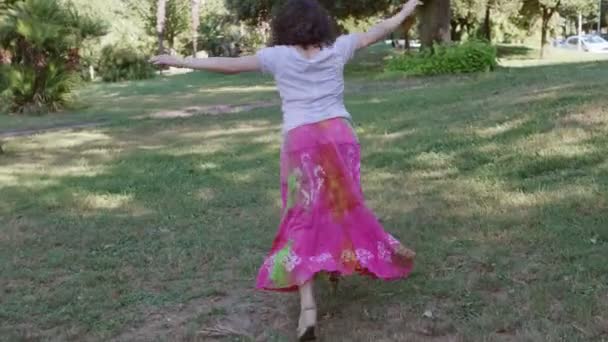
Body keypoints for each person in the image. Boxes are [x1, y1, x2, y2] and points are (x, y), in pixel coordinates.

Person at [151, 0, 421, 340]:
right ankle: (356, 257)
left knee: (302, 217)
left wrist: (179, 60)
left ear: (285, 26)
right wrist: (405, 9)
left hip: (302, 142)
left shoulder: (278, 57)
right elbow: (379, 30)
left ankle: (308, 308)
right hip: (339, 136)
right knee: (344, 205)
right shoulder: (339, 48)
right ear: (321, 24)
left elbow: (230, 65)